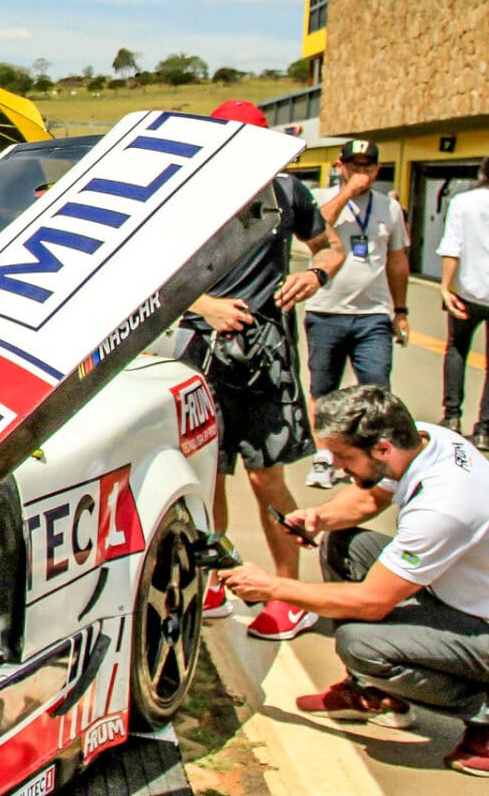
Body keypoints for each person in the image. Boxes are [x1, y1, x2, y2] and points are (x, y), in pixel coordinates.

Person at [219, 386, 489, 777]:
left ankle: (484, 716)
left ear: (381, 449)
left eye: (345, 458)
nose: (339, 469)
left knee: (360, 644)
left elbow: (371, 601)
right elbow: (367, 500)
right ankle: (378, 694)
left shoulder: (442, 506)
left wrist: (273, 588)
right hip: (464, 596)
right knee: (344, 544)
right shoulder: (425, 440)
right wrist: (319, 517)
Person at [184, 101, 346, 640]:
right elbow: (156, 273)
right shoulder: (190, 192)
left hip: (265, 353)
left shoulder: (289, 192)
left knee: (265, 475)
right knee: (210, 474)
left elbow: (331, 246)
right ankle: (216, 580)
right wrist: (205, 306)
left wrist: (317, 274)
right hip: (203, 350)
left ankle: (287, 593)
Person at [304, 138, 412, 489]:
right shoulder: (321, 199)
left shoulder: (389, 208)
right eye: (354, 165)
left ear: (378, 170)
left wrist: (400, 310)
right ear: (340, 165)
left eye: (368, 166)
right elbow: (316, 230)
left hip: (373, 314)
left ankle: (373, 461)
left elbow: (397, 262)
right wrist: (347, 192)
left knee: (377, 387)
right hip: (326, 309)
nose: (361, 172)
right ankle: (324, 458)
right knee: (323, 388)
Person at [439, 156, 489, 446]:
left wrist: (445, 287)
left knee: (457, 349)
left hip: (466, 293)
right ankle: (484, 430)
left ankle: (452, 417)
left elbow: (451, 246)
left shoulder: (463, 201)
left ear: (482, 173)